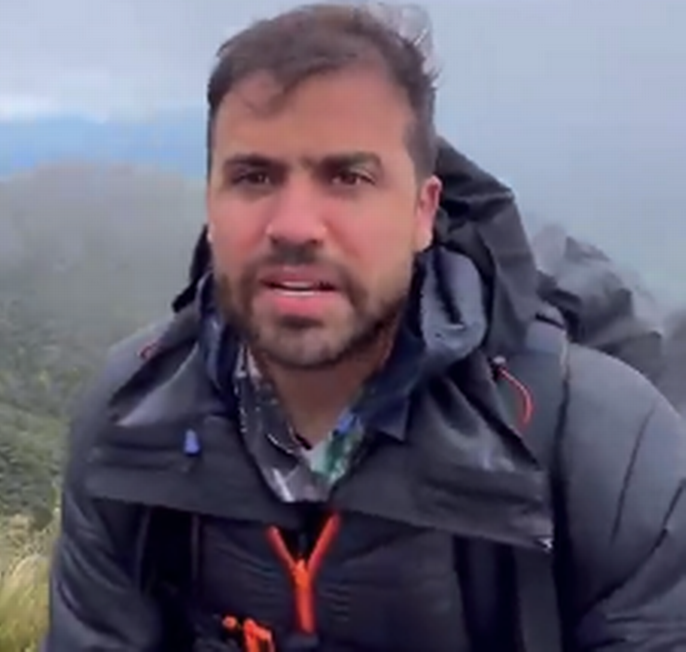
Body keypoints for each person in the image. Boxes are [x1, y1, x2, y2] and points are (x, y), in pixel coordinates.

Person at [41, 4, 686, 651]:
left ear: (422, 211)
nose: (294, 225)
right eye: (254, 176)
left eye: (348, 177)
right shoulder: (127, 423)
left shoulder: (605, 449)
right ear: (210, 202)